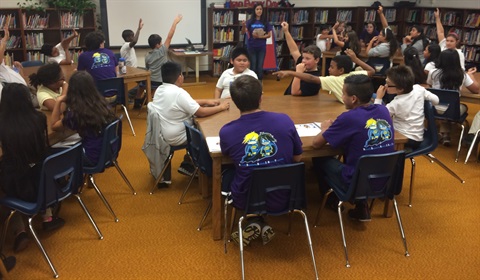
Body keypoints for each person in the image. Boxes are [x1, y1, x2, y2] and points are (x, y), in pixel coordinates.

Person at [219, 75, 302, 246]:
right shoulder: (284, 120)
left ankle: (253, 220)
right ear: (261, 97)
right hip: (286, 195)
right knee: (270, 170)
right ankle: (259, 222)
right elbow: (297, 157)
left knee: (228, 171)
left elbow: (227, 156)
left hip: (246, 198)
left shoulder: (227, 131)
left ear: (234, 101)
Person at [311, 74, 395, 221]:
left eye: (344, 94)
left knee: (320, 158)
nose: (342, 97)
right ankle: (361, 205)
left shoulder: (348, 118)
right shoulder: (383, 111)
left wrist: (325, 128)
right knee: (360, 157)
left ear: (354, 98)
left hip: (356, 181)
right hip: (386, 179)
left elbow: (316, 144)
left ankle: (333, 199)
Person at [0, 83, 65, 254]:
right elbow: (44, 146)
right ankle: (47, 217)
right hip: (43, 181)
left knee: (3, 186)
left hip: (17, 184)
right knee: (37, 164)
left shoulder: (3, 125)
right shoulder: (39, 118)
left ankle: (19, 231)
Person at [150, 61, 229, 178]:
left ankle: (188, 162)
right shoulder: (178, 93)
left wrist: (207, 101)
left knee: (198, 124)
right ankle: (206, 169)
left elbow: (186, 103)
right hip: (177, 136)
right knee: (206, 133)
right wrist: (221, 107)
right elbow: (200, 113)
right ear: (179, 77)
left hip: (164, 132)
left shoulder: (160, 90)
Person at [51, 71, 117, 167]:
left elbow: (54, 126)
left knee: (52, 151)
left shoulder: (77, 113)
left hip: (91, 158)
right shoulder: (102, 104)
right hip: (109, 152)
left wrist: (59, 101)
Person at [273, 49, 375, 103]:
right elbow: (372, 71)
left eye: (332, 67)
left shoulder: (334, 79)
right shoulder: (355, 74)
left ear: (341, 70)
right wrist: (356, 59)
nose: (329, 69)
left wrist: (290, 72)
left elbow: (312, 78)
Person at [375, 65, 439, 151]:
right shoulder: (418, 89)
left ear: (400, 89)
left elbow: (377, 117)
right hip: (418, 136)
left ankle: (396, 157)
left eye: (388, 84)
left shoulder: (396, 103)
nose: (385, 86)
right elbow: (436, 100)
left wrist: (378, 98)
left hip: (404, 139)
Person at [427, 49, 479, 146]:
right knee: (459, 107)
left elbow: (430, 86)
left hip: (434, 108)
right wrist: (470, 75)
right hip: (452, 110)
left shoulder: (433, 72)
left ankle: (443, 134)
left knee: (443, 107)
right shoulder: (461, 74)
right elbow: (476, 89)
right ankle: (445, 134)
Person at [281, 21, 321, 96]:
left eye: (308, 59)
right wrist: (286, 31)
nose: (303, 61)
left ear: (316, 60)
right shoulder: (303, 64)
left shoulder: (315, 78)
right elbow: (294, 50)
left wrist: (298, 73)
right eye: (303, 58)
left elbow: (295, 92)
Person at [145, 14, 183, 91]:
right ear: (157, 45)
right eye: (161, 42)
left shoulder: (147, 56)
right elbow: (170, 36)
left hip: (151, 81)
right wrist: (175, 22)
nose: (162, 43)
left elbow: (147, 68)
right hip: (162, 82)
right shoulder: (162, 51)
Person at [241, 4, 272, 81]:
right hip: (251, 46)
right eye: (257, 9)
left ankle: (260, 84)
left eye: (260, 9)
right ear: (254, 11)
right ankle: (252, 84)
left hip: (261, 47)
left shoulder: (265, 22)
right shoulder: (250, 22)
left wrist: (260, 37)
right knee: (253, 67)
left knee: (260, 67)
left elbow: (269, 35)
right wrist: (244, 26)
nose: (259, 11)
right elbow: (242, 32)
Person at [366, 6, 398, 74]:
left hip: (378, 68)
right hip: (383, 65)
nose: (378, 36)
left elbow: (368, 53)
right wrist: (381, 13)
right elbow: (385, 26)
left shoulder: (383, 47)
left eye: (380, 35)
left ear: (385, 37)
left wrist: (371, 42)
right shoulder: (390, 42)